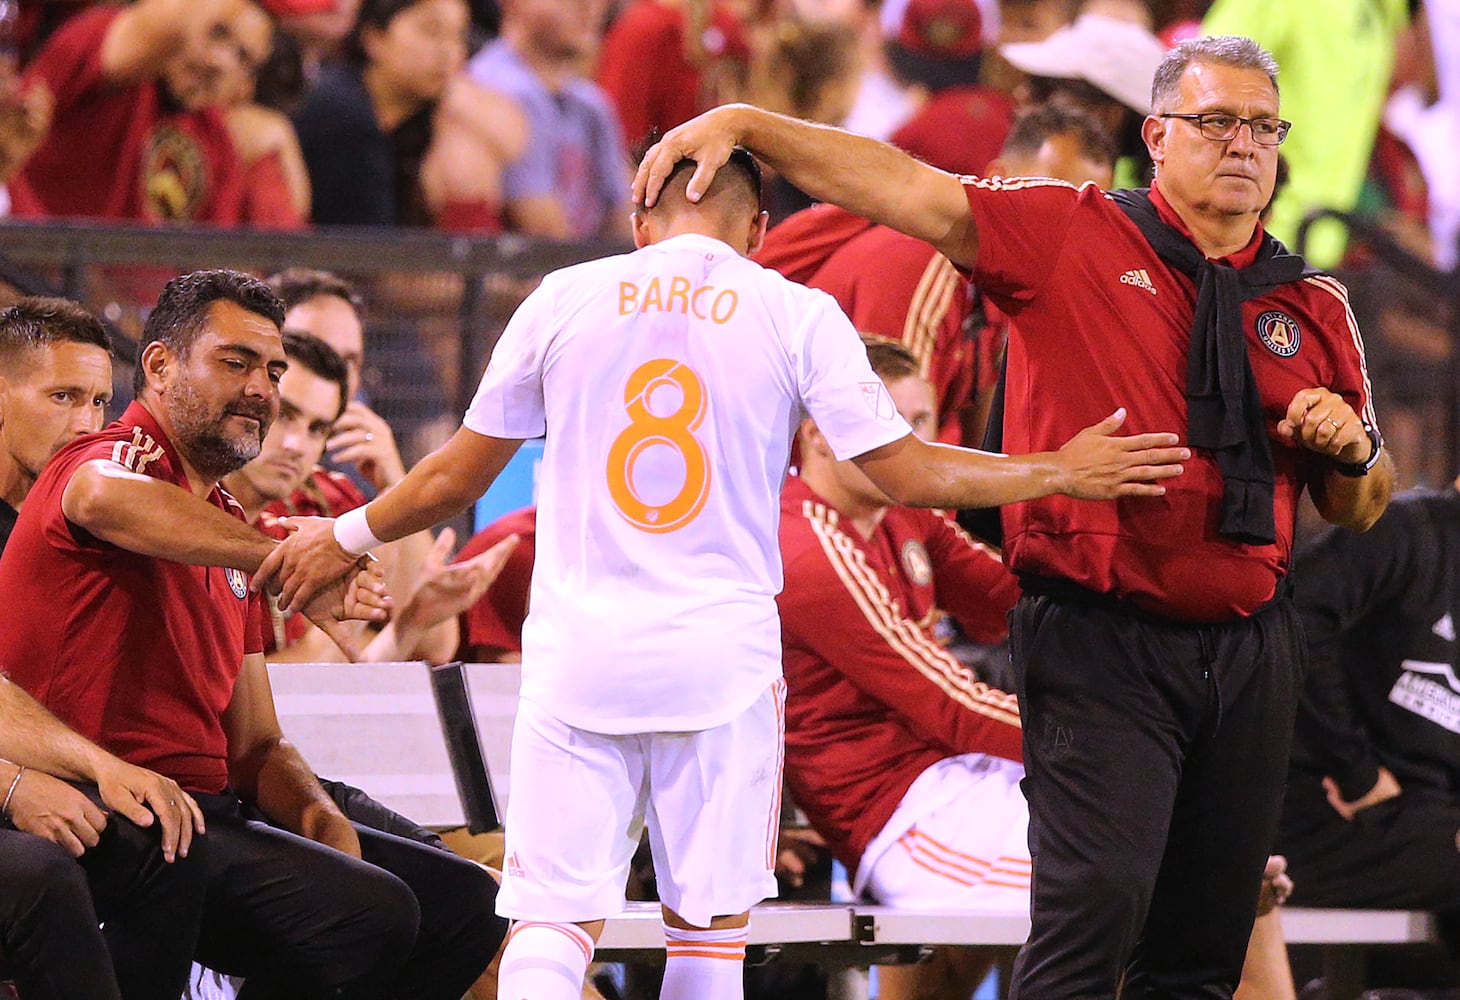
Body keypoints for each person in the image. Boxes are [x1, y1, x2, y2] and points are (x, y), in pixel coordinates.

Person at [254, 140, 1187, 1000]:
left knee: (549, 924)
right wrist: (1056, 469)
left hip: (582, 655)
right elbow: (903, 469)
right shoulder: (797, 311)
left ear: (639, 224)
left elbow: (456, 474)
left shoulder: (562, 297)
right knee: (707, 943)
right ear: (759, 232)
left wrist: (338, 539)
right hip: (721, 666)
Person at [633, 32, 1394, 999]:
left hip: (1250, 648)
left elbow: (1360, 507)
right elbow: (905, 188)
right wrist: (748, 127)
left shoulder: (1312, 302)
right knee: (1097, 910)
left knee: (1206, 941)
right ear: (1156, 136)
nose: (1244, 144)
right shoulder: (1074, 231)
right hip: (1100, 636)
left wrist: (1357, 452)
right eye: (1216, 122)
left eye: (1262, 126)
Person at [0, 270, 502, 1000]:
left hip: (213, 808)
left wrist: (316, 816)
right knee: (371, 915)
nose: (261, 389)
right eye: (235, 363)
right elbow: (102, 497)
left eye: (272, 370)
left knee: (465, 904)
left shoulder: (230, 527)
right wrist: (282, 553)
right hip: (110, 806)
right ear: (162, 366)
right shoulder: (111, 458)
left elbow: (256, 742)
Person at [781, 336, 1297, 1000]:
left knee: (1212, 878)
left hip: (964, 783)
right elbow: (952, 705)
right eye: (887, 422)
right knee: (1161, 885)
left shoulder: (902, 512)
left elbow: (1021, 600)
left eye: (919, 424)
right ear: (819, 435)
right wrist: (1118, 757)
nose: (907, 444)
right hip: (899, 816)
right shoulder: (806, 544)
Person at [0, 295, 209, 1000]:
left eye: (97, 400)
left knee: (165, 841)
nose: (86, 423)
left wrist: (104, 768)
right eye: (62, 396)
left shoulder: (68, 530)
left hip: (44, 770)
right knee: (43, 877)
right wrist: (14, 788)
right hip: (13, 789)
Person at [757, 102, 1116, 445]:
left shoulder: (1008, 286)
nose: (1064, 231)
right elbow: (884, 454)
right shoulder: (922, 264)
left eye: (1086, 217)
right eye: (1048, 204)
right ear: (997, 181)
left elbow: (987, 442)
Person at [223, 329, 516, 659]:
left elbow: (432, 649)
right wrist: (332, 649)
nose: (296, 445)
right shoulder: (187, 501)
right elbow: (232, 695)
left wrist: (412, 620)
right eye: (284, 416)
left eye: (317, 429)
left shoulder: (332, 502)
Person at [1278, 476, 1460, 960]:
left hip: (1421, 822)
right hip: (1320, 812)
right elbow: (1295, 616)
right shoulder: (1407, 529)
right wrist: (1354, 773)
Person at [11, 0, 272, 223]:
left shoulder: (219, 144)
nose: (220, 62)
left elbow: (214, 261)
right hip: (32, 266)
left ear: (245, 86)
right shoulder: (104, 47)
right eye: (217, 33)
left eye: (243, 58)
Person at [291, 0, 527, 231]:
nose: (447, 51)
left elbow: (513, 142)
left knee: (464, 152)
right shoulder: (343, 115)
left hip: (398, 260)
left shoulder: (424, 112)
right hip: (325, 263)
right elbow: (367, 255)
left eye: (458, 36)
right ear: (375, 37)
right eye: (431, 31)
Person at [467, 0, 632, 240]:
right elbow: (548, 241)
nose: (589, 7)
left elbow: (626, 223)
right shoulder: (488, 89)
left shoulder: (592, 103)